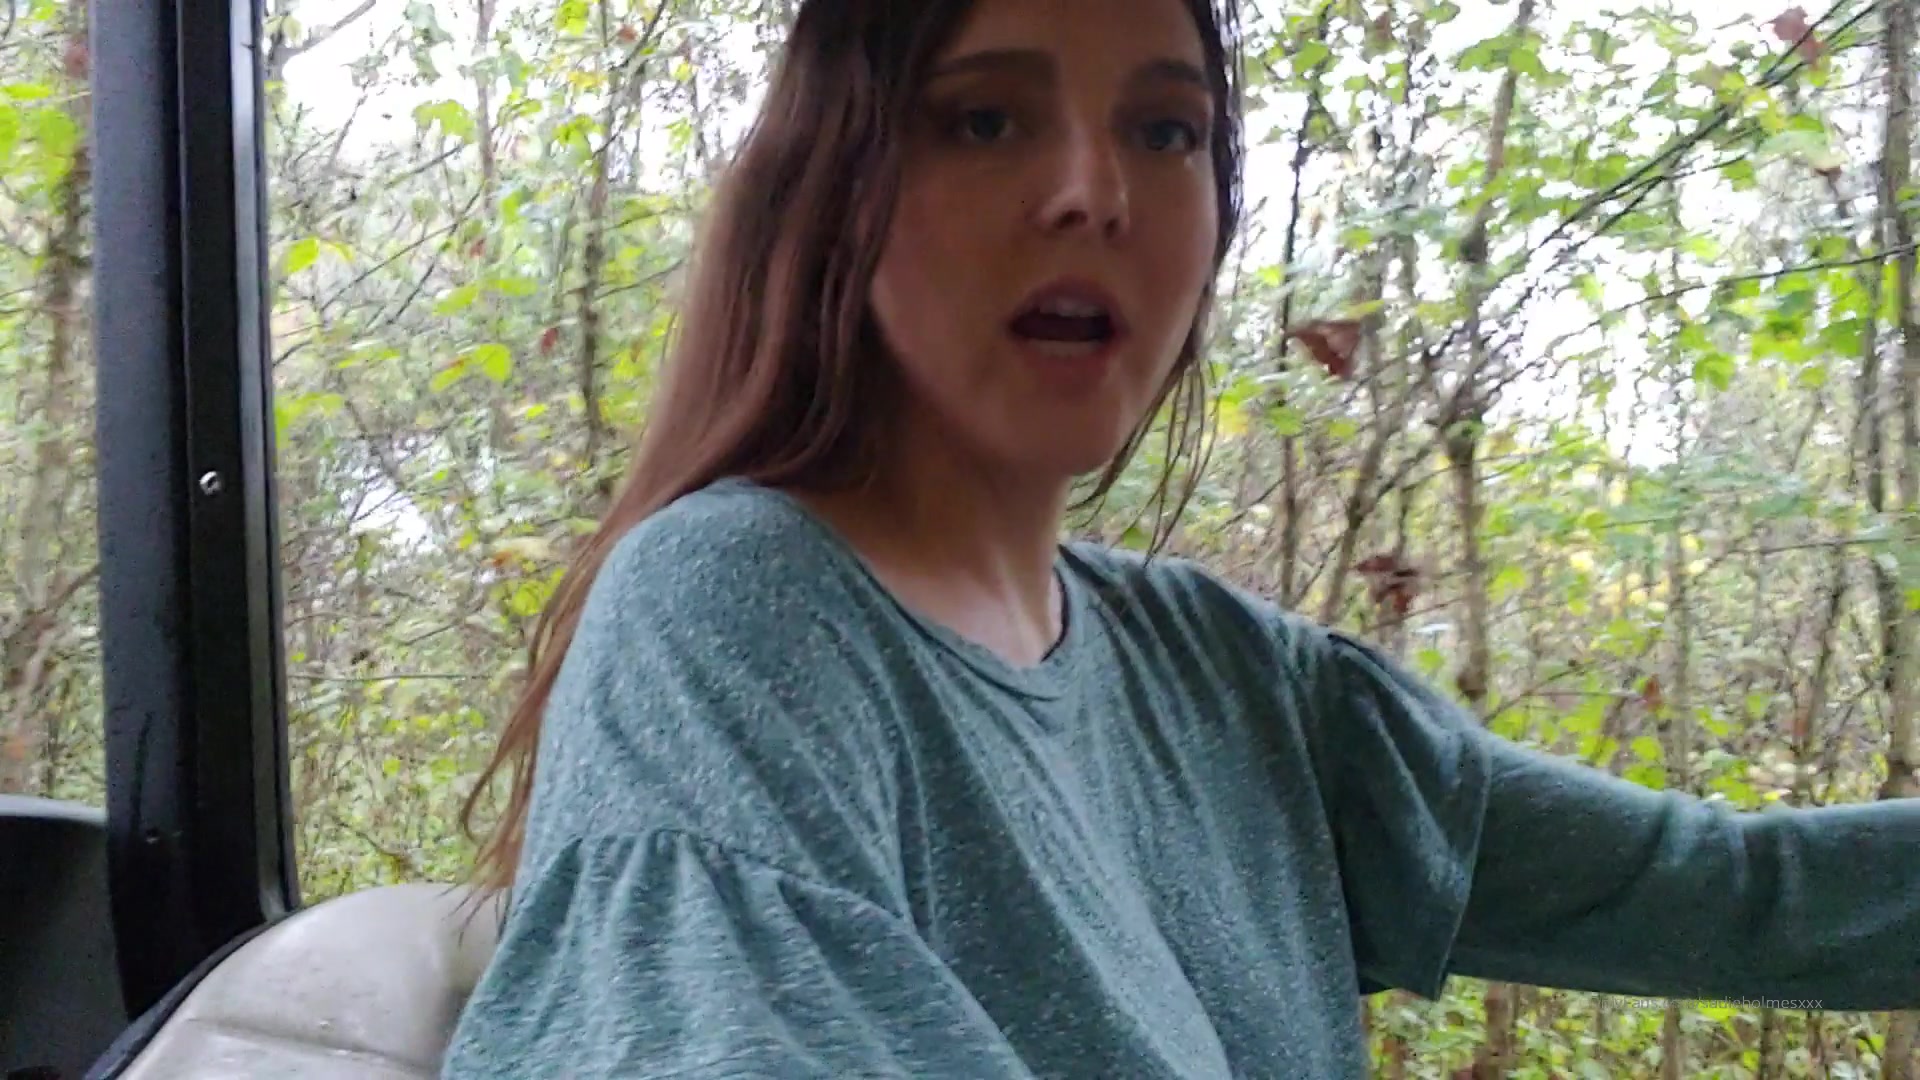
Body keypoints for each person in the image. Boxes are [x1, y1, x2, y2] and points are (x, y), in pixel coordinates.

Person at [440, 0, 1920, 1075]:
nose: (1094, 194)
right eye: (985, 117)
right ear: (838, 190)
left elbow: (1739, 895)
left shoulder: (1234, 678)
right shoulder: (736, 609)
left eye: (1166, 130)